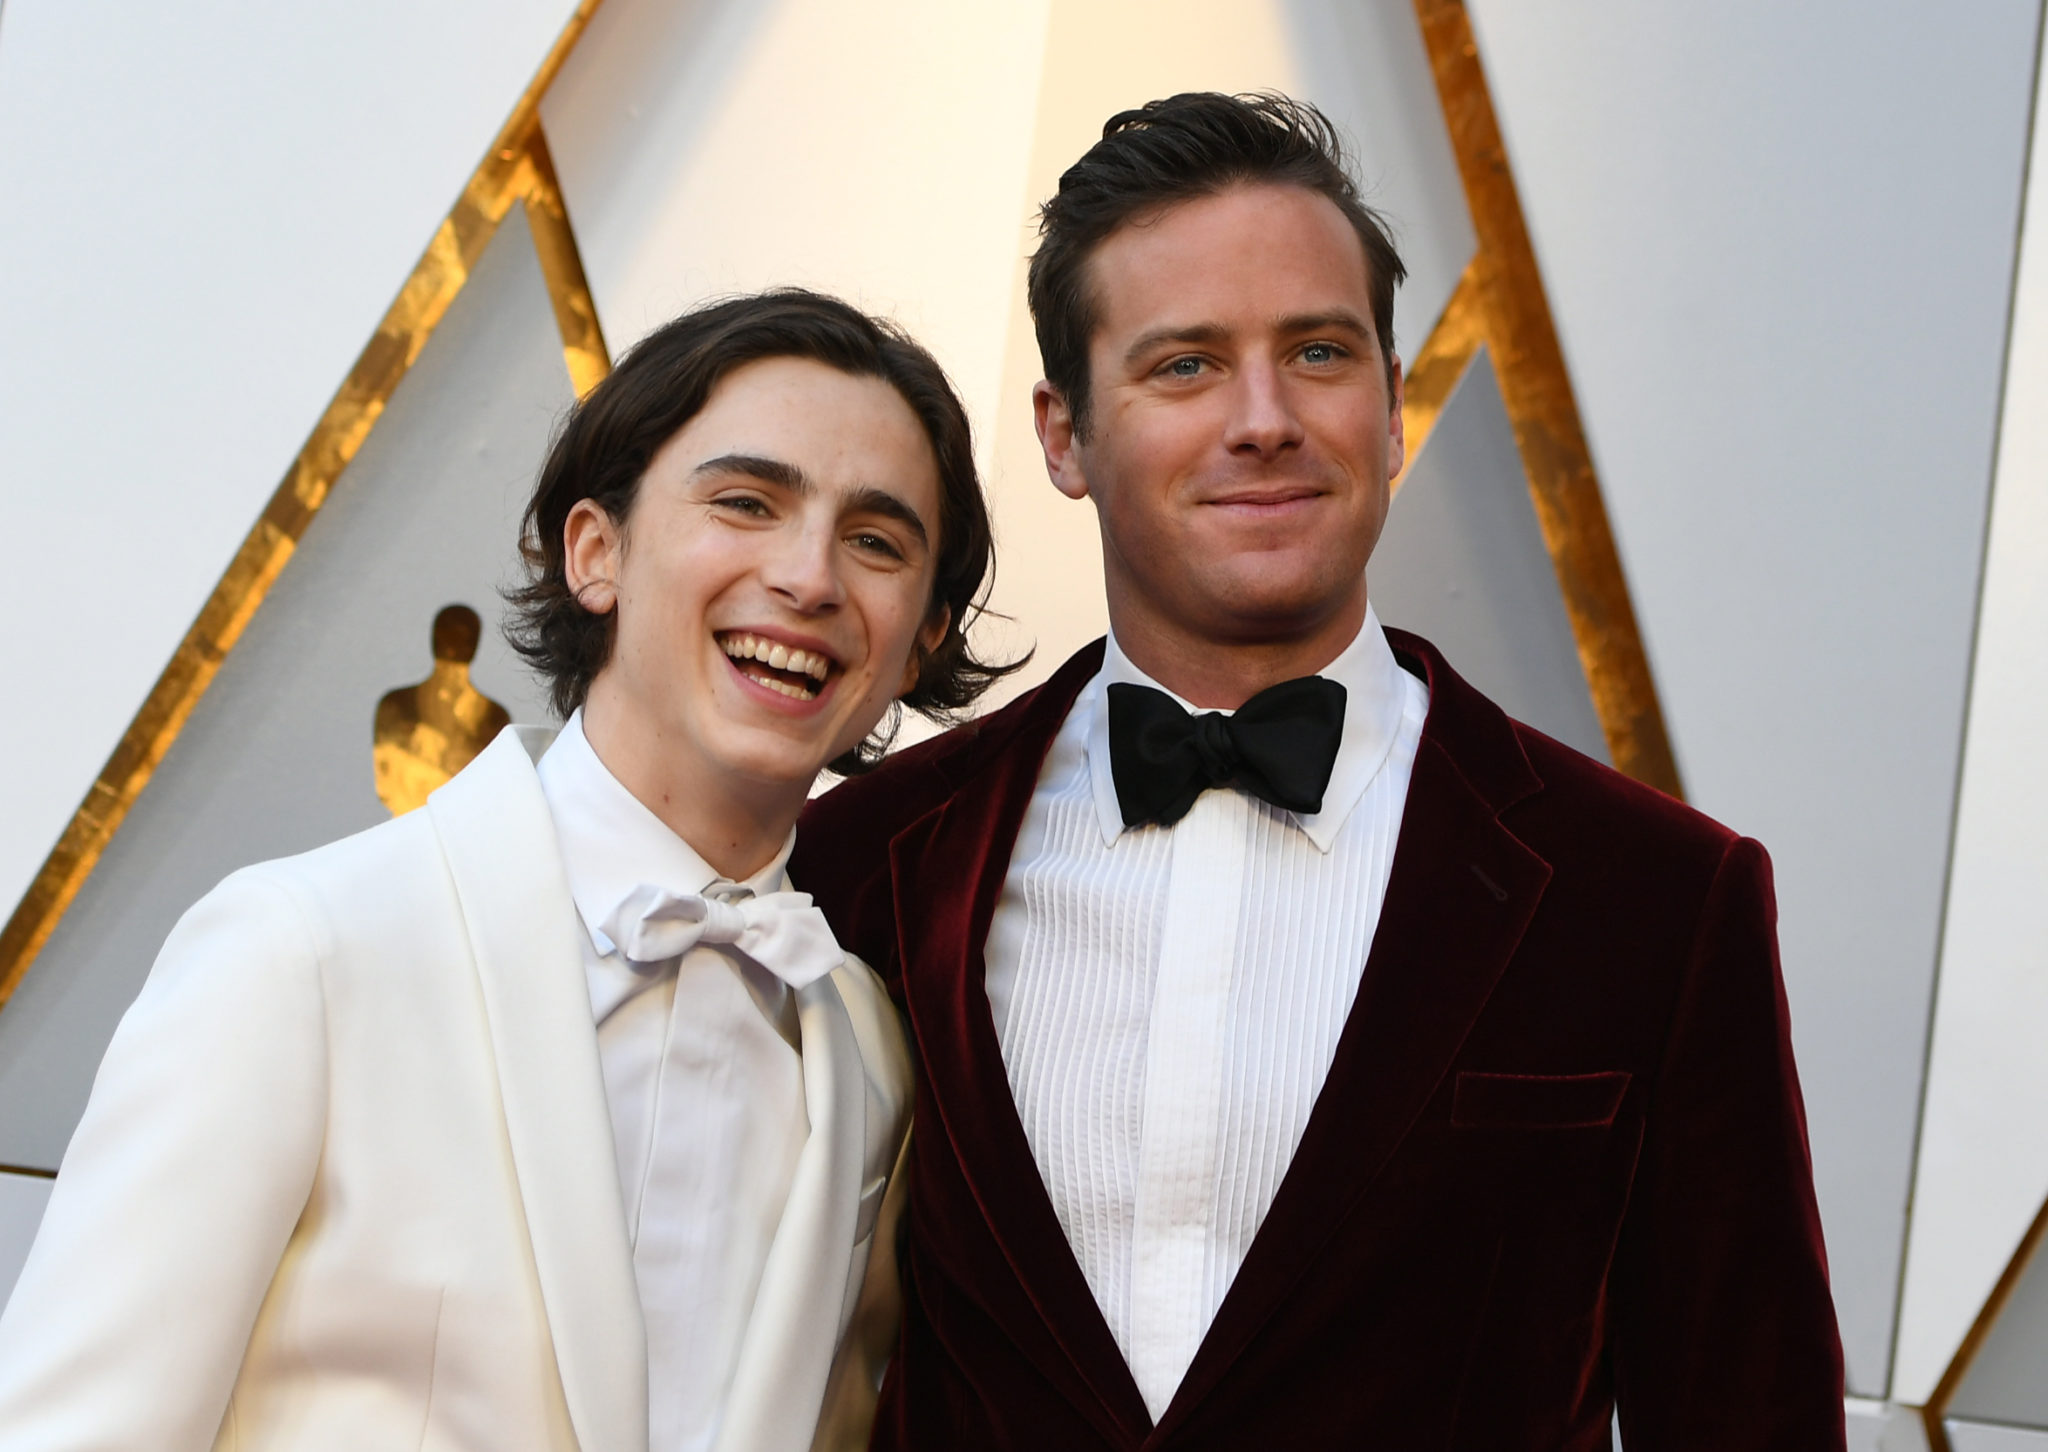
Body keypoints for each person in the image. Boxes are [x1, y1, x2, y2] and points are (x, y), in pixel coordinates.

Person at [793, 93, 1846, 1448]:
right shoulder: (865, 865)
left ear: (1394, 406)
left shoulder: (1655, 900)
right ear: (1064, 436)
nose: (1265, 419)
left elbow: (1747, 1418)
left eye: (1321, 353)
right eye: (1184, 367)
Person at [0, 289, 1012, 1452]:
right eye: (746, 501)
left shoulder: (873, 1054)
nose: (809, 577)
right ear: (595, 550)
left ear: (922, 638)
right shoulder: (303, 952)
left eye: (875, 542)